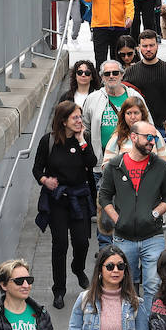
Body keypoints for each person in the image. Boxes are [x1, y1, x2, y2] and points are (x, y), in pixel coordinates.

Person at [98, 118, 166, 316]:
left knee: (152, 285)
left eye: (154, 138)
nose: (152, 142)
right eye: (148, 137)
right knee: (125, 286)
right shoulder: (115, 165)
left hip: (153, 237)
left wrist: (154, 214)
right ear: (133, 137)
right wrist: (117, 219)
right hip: (124, 238)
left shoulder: (161, 166)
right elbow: (104, 196)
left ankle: (148, 326)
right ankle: (127, 324)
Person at [33, 102, 98, 309]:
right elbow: (37, 169)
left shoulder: (83, 139)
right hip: (58, 199)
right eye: (75, 118)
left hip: (79, 197)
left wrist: (81, 140)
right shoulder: (49, 141)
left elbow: (92, 161)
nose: (80, 121)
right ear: (63, 121)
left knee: (82, 242)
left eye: (80, 117)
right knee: (60, 244)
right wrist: (45, 181)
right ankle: (59, 289)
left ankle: (78, 268)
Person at [123, 30, 166, 128]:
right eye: (145, 46)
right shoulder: (130, 72)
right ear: (139, 47)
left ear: (157, 45)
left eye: (151, 45)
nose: (148, 49)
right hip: (140, 127)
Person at [83, 61, 140, 160]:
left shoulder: (134, 96)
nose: (111, 76)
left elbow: (148, 123)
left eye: (115, 73)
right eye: (107, 74)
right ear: (102, 77)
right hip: (101, 159)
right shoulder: (92, 98)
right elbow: (85, 127)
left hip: (132, 159)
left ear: (122, 75)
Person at [101, 97, 165, 169]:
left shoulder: (154, 134)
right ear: (123, 115)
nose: (132, 117)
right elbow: (106, 167)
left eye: (136, 113)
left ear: (142, 114)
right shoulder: (117, 137)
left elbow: (164, 165)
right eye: (129, 113)